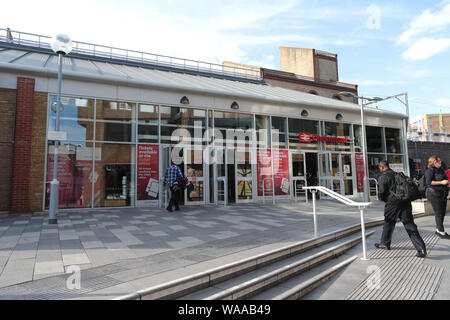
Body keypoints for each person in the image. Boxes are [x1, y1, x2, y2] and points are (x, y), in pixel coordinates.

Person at [375, 160, 427, 258]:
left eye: (380, 168)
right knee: (409, 224)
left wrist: (385, 199)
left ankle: (385, 243)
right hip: (405, 202)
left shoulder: (383, 177)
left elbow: (381, 193)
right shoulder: (398, 174)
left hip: (392, 203)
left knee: (388, 222)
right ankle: (421, 248)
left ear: (381, 167)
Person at [425, 155, 450, 239]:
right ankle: (441, 232)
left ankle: (438, 229)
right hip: (434, 194)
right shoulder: (429, 171)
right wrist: (441, 182)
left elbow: (445, 179)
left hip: (442, 194)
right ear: (433, 162)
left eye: (440, 161)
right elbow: (429, 182)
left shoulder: (441, 170)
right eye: (438, 161)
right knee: (439, 213)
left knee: (442, 213)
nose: (440, 162)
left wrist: (447, 183)